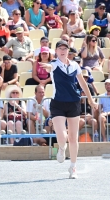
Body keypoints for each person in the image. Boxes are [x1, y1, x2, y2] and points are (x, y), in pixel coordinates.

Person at [39, 40, 97, 179]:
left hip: (73, 103)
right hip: (58, 103)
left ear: (68, 51)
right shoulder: (53, 64)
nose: (63, 50)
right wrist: (46, 66)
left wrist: (90, 98)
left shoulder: (75, 65)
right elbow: (49, 67)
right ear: (56, 51)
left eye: (65, 48)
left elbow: (82, 82)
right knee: (62, 136)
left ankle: (73, 167)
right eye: (60, 48)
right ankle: (61, 148)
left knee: (73, 137)